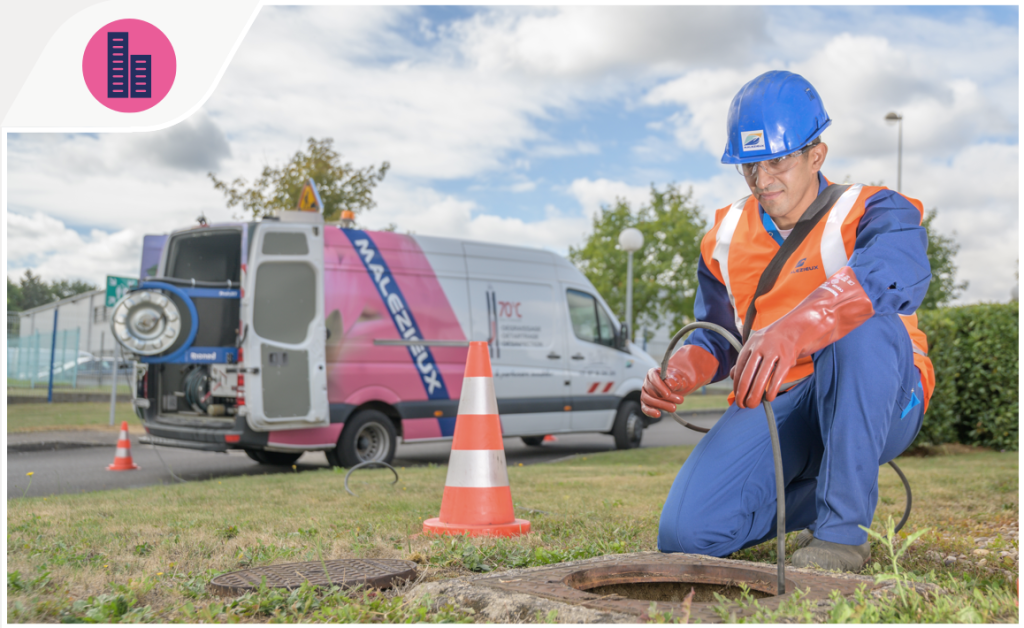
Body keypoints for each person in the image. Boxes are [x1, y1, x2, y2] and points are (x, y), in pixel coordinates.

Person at [640, 70, 935, 572]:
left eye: (777, 160)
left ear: (815, 155)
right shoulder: (725, 236)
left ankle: (842, 534)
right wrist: (683, 371)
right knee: (688, 534)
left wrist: (799, 327)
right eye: (749, 166)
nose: (762, 180)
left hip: (883, 397)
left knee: (859, 324)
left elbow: (897, 272)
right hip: (782, 401)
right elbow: (722, 336)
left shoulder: (871, 208)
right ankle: (839, 488)